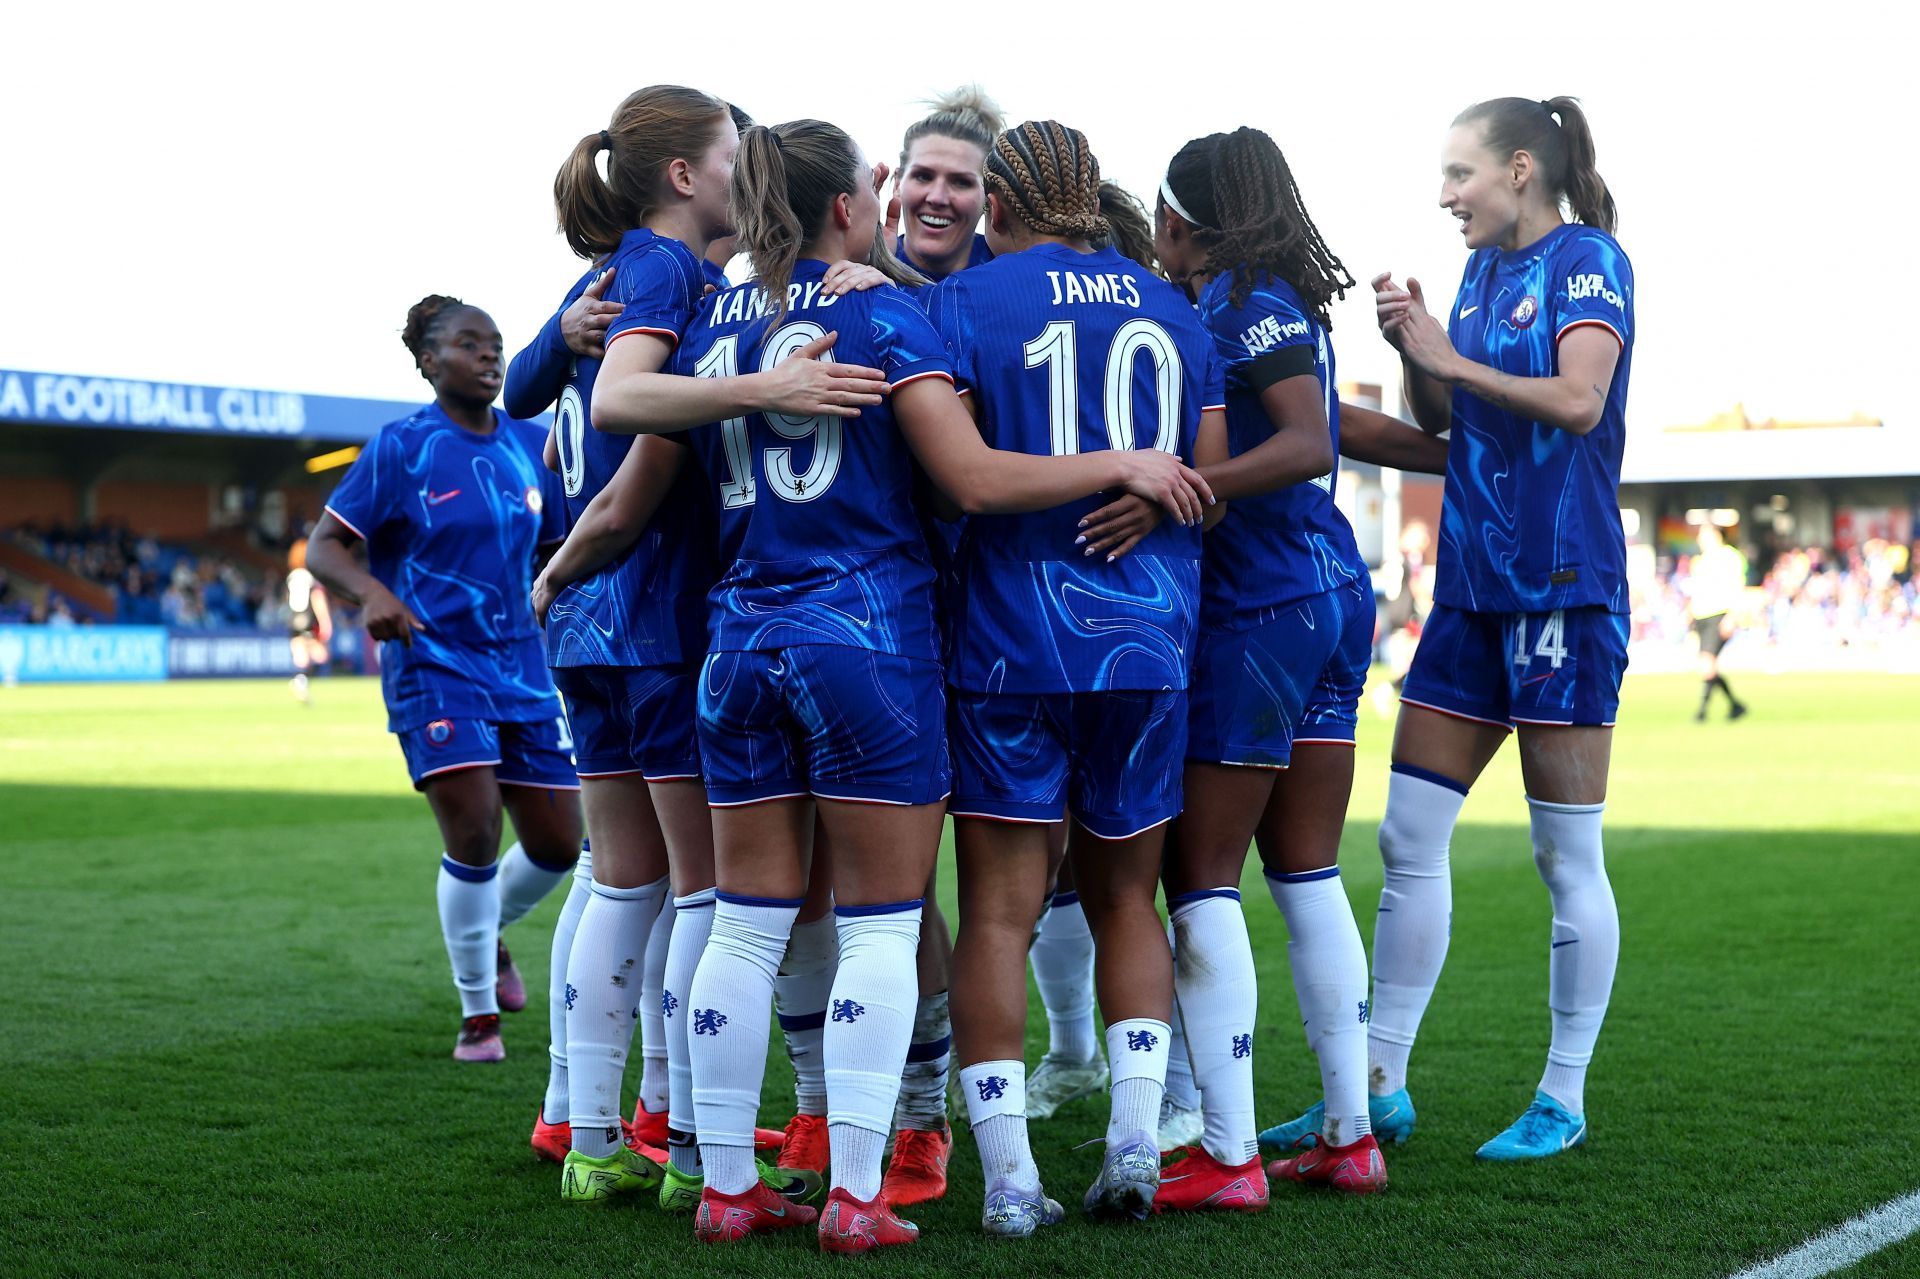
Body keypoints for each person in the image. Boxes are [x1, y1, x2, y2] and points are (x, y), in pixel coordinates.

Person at [593, 116, 1210, 1251]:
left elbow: (624, 454)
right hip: (868, 640)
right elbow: (968, 476)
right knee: (884, 927)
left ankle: (728, 1184)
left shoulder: (713, 322)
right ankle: (859, 1195)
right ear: (848, 203)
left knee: (743, 922)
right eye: (883, 186)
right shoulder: (887, 310)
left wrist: (558, 573)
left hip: (738, 644)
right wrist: (1122, 461)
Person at [1089, 126, 1448, 1204]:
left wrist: (1177, 487)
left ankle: (1231, 1152)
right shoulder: (1278, 296)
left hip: (1261, 607)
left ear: (1183, 220)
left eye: (1159, 219)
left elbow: (1298, 443)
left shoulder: (1238, 301)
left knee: (1199, 880)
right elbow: (1322, 421)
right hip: (1328, 598)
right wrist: (1437, 448)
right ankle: (1350, 1133)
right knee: (1305, 873)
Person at [924, 119, 1229, 1235]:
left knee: (999, 913)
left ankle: (1009, 1180)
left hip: (1010, 636)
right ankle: (1139, 1146)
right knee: (1124, 899)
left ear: (998, 206)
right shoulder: (1176, 308)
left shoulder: (962, 302)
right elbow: (1202, 477)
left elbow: (961, 482)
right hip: (1150, 638)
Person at [1364, 95, 1633, 1160]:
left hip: (1562, 587)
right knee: (1405, 836)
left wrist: (1450, 354)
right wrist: (1415, 350)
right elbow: (1449, 420)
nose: (1445, 195)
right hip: (1472, 589)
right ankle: (1378, 1083)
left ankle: (1562, 1096)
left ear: (1520, 169)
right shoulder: (1479, 274)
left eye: (1459, 174)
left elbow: (1577, 399)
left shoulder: (1589, 260)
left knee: (1563, 854)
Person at [306, 295, 584, 1063]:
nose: (490, 357)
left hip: (523, 665)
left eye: (495, 345)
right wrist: (372, 593)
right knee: (474, 828)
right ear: (430, 361)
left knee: (562, 843)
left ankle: (486, 927)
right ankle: (478, 1015)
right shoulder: (402, 448)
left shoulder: (530, 444)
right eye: (470, 345)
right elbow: (325, 547)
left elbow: (561, 544)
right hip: (434, 661)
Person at [892, 86, 1002, 282]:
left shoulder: (1015, 283)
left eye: (961, 182)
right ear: (897, 184)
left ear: (988, 199)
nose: (937, 197)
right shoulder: (853, 278)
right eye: (923, 176)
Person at [1687, 522, 1749, 720]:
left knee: (1707, 664)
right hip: (1701, 616)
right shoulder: (1700, 561)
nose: (1699, 539)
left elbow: (1737, 587)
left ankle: (1702, 712)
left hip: (1719, 614)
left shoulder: (1729, 556)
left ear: (1716, 535)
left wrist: (1732, 617)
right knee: (1707, 665)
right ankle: (1735, 705)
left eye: (1703, 534)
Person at [285, 538, 332, 704]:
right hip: (307, 619)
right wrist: (325, 621)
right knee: (321, 656)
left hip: (293, 619)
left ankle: (300, 682)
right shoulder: (311, 577)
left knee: (301, 656)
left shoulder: (292, 576)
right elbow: (317, 599)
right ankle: (300, 681)